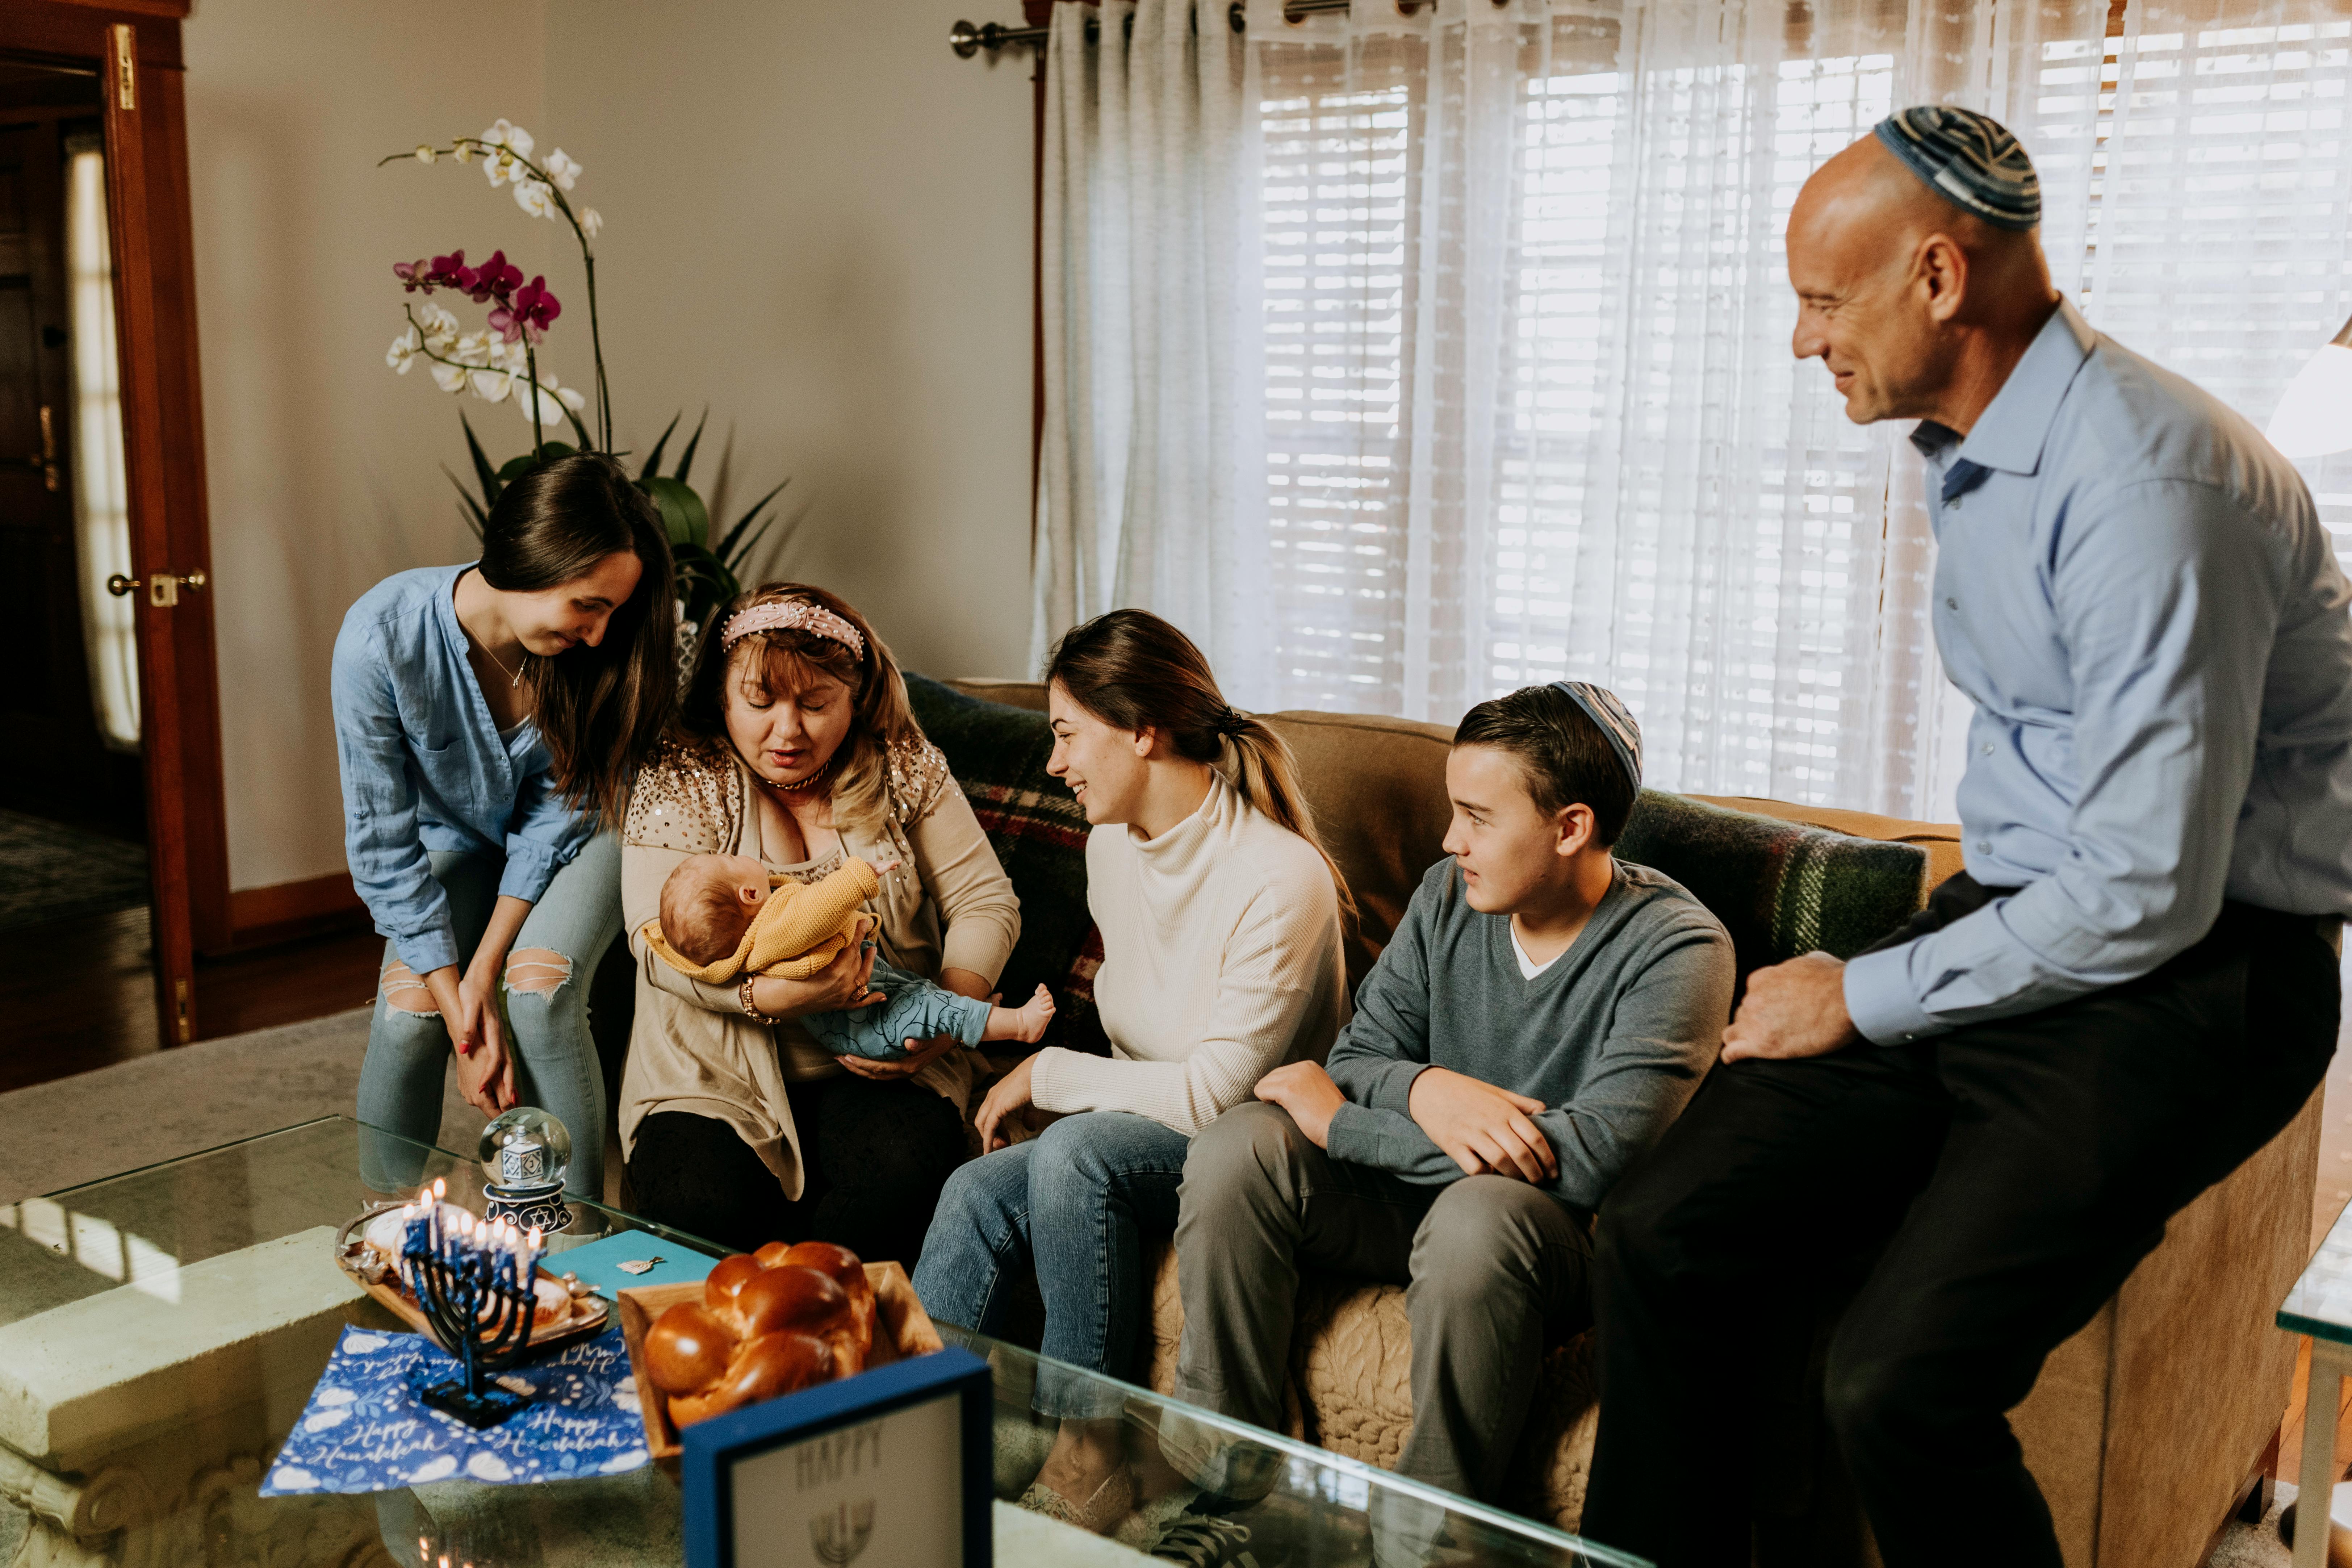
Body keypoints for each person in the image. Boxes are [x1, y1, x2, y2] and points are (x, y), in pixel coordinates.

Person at [1581, 107, 2352, 1568]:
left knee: (1898, 1383)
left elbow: (2146, 886)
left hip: (2205, 979)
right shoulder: (1978, 448)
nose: (1802, 342)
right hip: (2028, 911)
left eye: (1821, 300)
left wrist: (1858, 988)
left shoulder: (2149, 484)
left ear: (1939, 277)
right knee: (1661, 1227)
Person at [1169, 682, 1733, 1515]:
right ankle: (1226, 1477)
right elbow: (1360, 1052)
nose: (1448, 839)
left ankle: (1434, 1533)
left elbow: (1583, 1160)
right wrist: (1431, 1088)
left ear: (1569, 826)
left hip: (1544, 1235)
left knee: (1477, 1216)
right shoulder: (1444, 895)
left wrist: (1346, 1125)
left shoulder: (1681, 949)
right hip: (1409, 1199)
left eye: (1476, 816)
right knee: (1239, 1144)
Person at [910, 608, 1352, 1534]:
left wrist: (1050, 1080)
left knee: (1076, 1154)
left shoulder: (1281, 878)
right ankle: (910, 1445)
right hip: (1142, 1130)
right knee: (975, 1189)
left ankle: (1092, 1451)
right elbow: (1139, 1048)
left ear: (1143, 731)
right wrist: (1080, 1093)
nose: (1055, 762)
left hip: (1257, 1151)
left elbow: (1210, 1096)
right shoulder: (1110, 846)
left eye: (1068, 733)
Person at [618, 584, 1022, 1267]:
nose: (787, 731)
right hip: (710, 1066)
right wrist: (767, 997)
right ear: (722, 694)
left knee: (897, 1185)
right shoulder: (682, 773)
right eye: (760, 702)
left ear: (855, 697)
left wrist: (943, 1014)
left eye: (814, 704)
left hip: (885, 1055)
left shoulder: (901, 760)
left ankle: (836, 1359)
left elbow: (985, 899)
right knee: (697, 1206)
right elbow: (655, 944)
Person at [335, 452, 677, 1208]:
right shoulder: (380, 640)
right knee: (405, 1017)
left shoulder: (592, 657)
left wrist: (485, 971)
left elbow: (558, 813)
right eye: (588, 605)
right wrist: (460, 1013)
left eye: (613, 613)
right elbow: (385, 850)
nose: (599, 636)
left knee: (539, 992)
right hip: (453, 837)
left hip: (588, 822)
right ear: (533, 558)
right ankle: (386, 1227)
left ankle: (577, 1229)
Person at [645, 849, 1057, 1056]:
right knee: (928, 1006)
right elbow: (815, 911)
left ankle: (978, 1015)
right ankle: (1020, 1025)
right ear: (749, 893)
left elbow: (983, 897)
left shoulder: (747, 946)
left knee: (934, 1001)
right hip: (863, 1020)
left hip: (853, 1017)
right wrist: (860, 877)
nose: (741, 854)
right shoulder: (775, 925)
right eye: (733, 858)